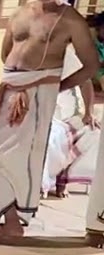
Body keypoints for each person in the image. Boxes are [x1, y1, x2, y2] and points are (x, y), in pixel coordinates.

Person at [0, 0, 98, 243]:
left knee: (17, 158)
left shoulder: (70, 19)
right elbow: (6, 53)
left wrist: (56, 86)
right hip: (9, 87)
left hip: (39, 92)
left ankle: (12, 224)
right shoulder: (21, 11)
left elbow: (91, 65)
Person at [41, 53, 99, 198]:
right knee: (47, 139)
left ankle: (63, 180)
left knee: (95, 132)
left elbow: (86, 82)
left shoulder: (66, 55)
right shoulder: (30, 54)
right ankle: (43, 184)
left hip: (67, 115)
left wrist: (89, 113)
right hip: (42, 115)